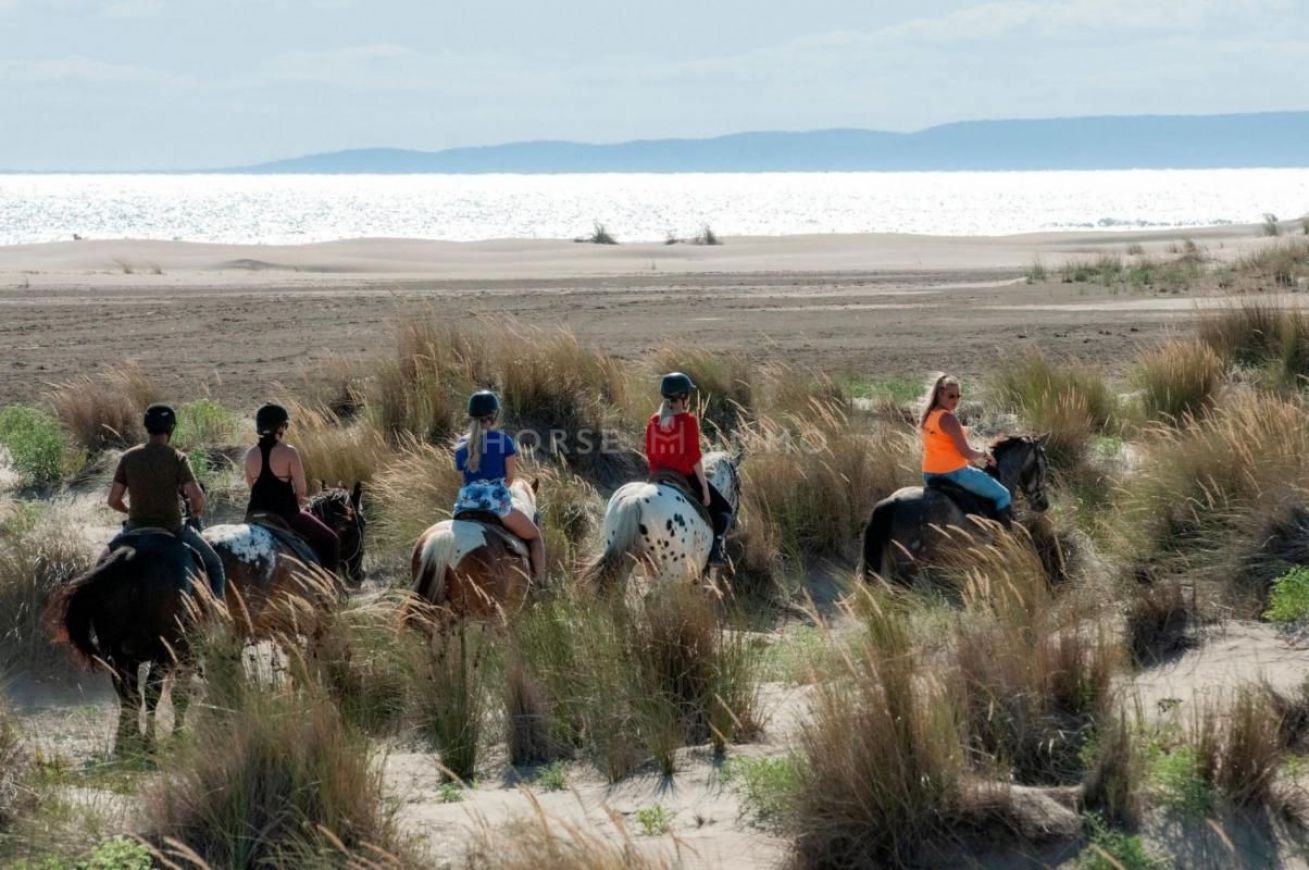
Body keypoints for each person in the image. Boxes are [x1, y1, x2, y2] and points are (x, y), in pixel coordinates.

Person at [107, 403, 227, 598]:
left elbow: (113, 500)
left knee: (101, 564)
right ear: (171, 428)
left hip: (135, 526)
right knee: (214, 563)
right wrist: (196, 511)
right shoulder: (177, 457)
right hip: (172, 527)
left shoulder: (128, 457)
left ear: (147, 427)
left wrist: (130, 511)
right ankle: (217, 608)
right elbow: (196, 496)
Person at [453, 390, 544, 583]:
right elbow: (510, 479)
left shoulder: (460, 445)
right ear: (494, 416)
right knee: (535, 536)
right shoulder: (503, 441)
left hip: (465, 506)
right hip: (496, 506)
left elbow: (464, 481)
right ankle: (540, 583)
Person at [644, 372, 733, 565]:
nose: (689, 399)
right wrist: (705, 488)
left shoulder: (653, 421)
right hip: (683, 477)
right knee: (725, 511)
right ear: (682, 397)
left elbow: (650, 454)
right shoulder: (688, 421)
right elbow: (694, 458)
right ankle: (716, 551)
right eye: (688, 395)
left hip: (656, 478)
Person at [243, 403, 340, 573]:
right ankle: (330, 584)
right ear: (280, 427)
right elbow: (301, 491)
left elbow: (252, 488)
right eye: (284, 425)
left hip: (253, 515)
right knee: (331, 540)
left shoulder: (250, 454)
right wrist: (297, 506)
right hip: (285, 515)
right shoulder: (289, 452)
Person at [920, 374, 1013, 526]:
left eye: (958, 396)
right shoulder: (948, 418)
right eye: (951, 396)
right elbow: (966, 453)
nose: (955, 400)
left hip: (929, 474)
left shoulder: (928, 416)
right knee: (1003, 495)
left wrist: (976, 451)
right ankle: (1005, 537)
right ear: (940, 394)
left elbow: (947, 446)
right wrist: (984, 453)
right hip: (954, 473)